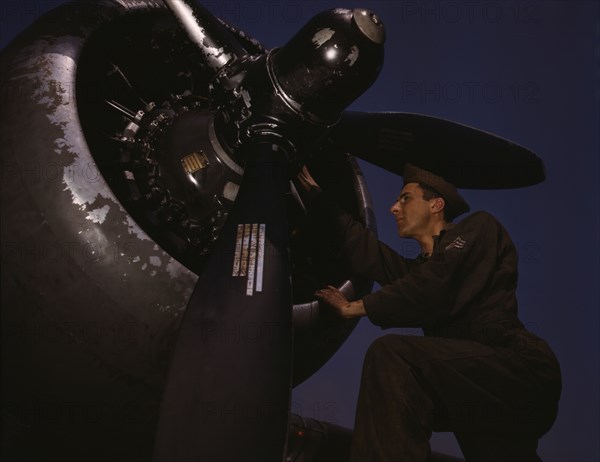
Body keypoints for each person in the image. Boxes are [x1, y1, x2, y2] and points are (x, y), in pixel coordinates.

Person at [295, 163, 561, 462]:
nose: (394, 208)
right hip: (468, 388)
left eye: (406, 198)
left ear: (437, 204)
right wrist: (317, 196)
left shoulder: (479, 229)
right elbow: (366, 251)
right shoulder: (419, 275)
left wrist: (354, 307)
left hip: (518, 369)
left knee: (393, 356)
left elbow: (435, 283)